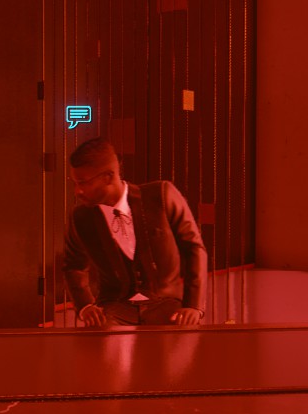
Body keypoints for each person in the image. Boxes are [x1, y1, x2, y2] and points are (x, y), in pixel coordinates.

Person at [61, 139, 206, 327]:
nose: (77, 191)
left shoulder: (161, 196)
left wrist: (193, 305)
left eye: (83, 183)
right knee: (103, 338)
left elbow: (194, 248)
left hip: (167, 302)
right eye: (74, 183)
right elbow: (73, 266)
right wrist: (85, 306)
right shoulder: (81, 217)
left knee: (178, 338)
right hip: (114, 306)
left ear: (108, 177)